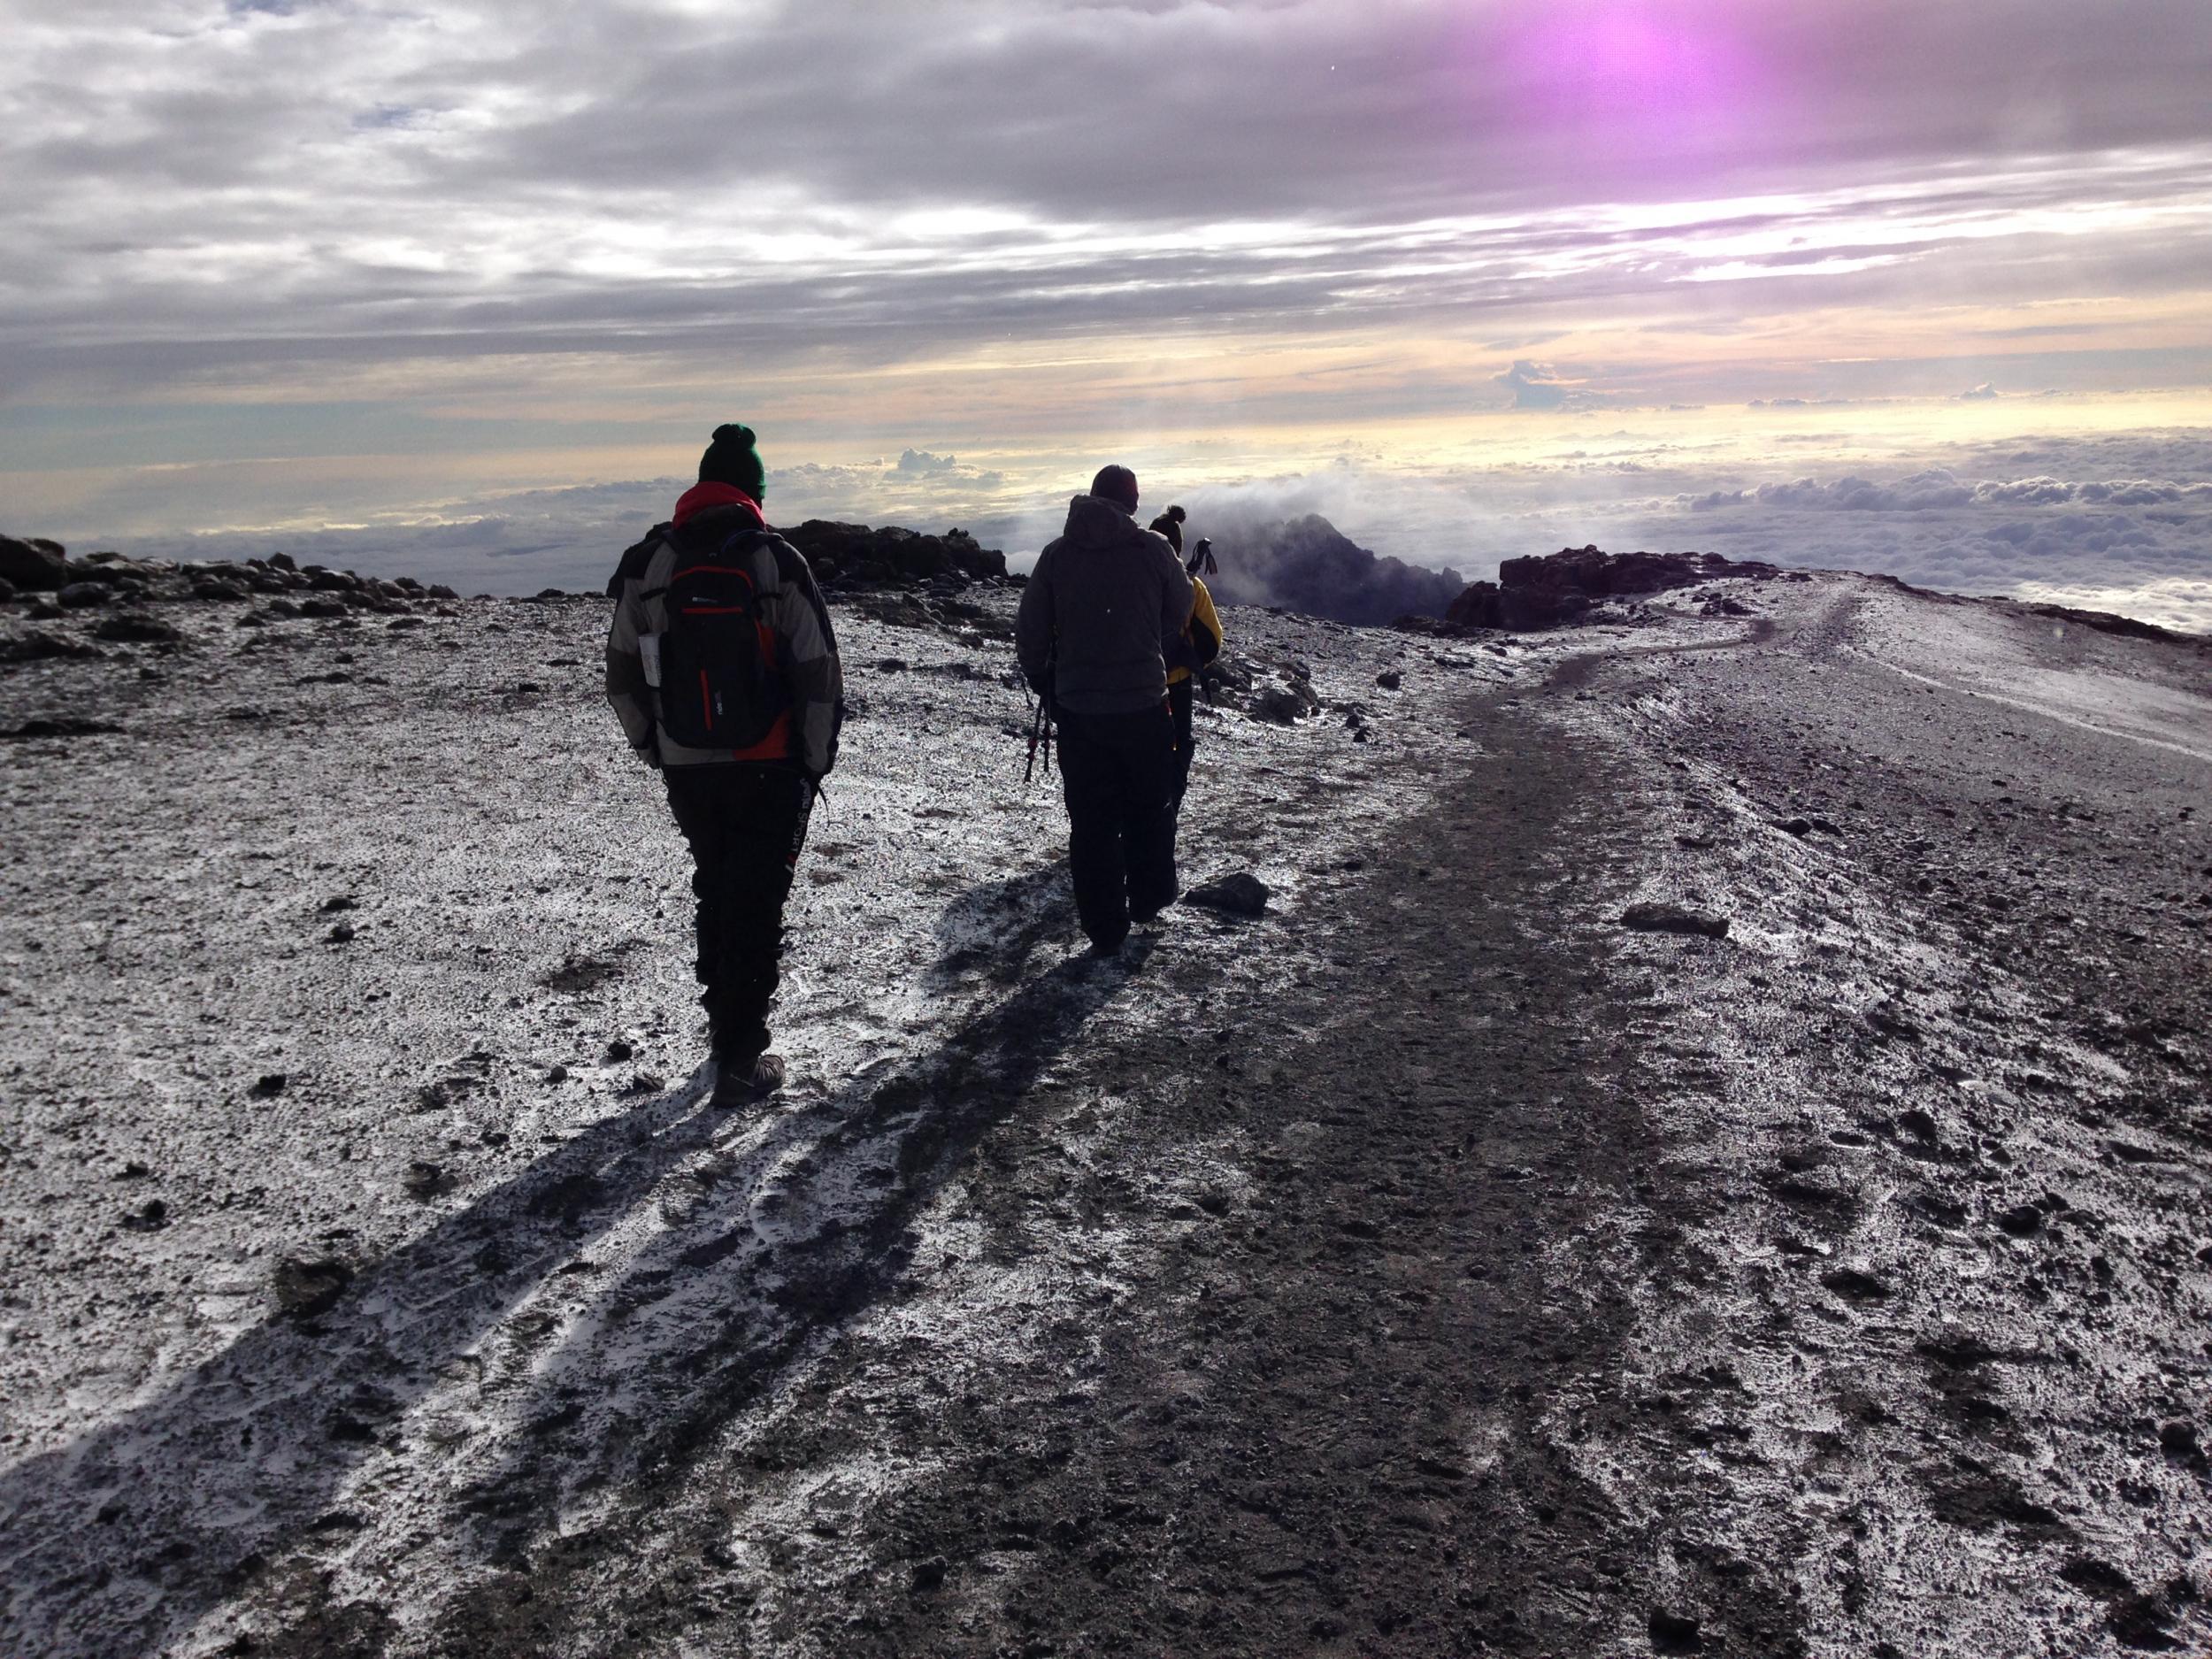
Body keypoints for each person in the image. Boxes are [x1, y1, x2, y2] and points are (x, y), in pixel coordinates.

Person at [605, 424, 843, 1105]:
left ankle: (724, 1031)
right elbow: (820, 674)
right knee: (758, 902)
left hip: (689, 767)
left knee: (716, 885)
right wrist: (814, 763)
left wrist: (656, 746)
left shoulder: (653, 563)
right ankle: (741, 1059)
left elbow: (620, 676)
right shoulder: (777, 562)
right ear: (754, 492)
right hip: (768, 765)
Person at [1018, 465, 1193, 957]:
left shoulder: (1057, 555)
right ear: (1132, 503)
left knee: (1092, 822)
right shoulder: (1155, 550)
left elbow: (1031, 630)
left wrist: (1046, 683)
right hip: (1143, 706)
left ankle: (1104, 927)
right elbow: (1180, 609)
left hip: (1079, 712)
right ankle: (1148, 899)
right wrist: (1146, 649)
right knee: (1148, 806)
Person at [1164, 553, 1224, 820]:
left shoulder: (1128, 579)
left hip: (1132, 686)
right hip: (1177, 685)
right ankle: (1169, 811)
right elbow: (1212, 641)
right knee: (1178, 748)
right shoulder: (1191, 586)